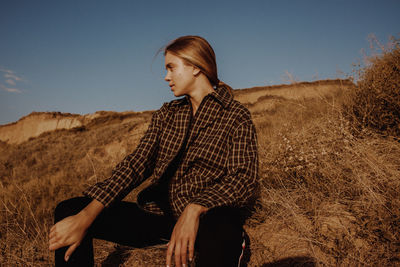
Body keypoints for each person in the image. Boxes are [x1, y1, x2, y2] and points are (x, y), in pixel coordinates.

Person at [49, 35, 259, 267]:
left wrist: (195, 207)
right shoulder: (167, 114)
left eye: (171, 67)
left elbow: (243, 178)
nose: (166, 76)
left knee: (223, 227)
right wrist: (87, 215)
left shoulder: (235, 115)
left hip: (207, 220)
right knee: (70, 210)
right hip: (160, 220)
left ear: (196, 67)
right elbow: (136, 165)